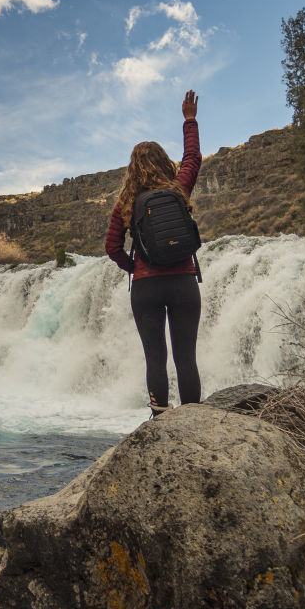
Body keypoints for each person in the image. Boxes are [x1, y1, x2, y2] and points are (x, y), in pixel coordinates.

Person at [105, 89, 203, 416]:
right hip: (184, 282)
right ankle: (192, 420)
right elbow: (192, 159)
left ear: (133, 168)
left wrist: (133, 267)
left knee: (155, 358)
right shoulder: (178, 189)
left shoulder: (126, 203)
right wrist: (189, 120)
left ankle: (160, 417)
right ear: (164, 162)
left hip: (146, 286)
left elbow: (112, 247)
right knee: (185, 356)